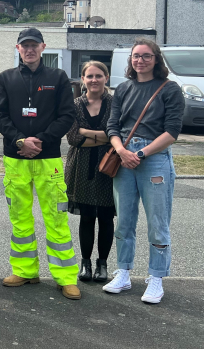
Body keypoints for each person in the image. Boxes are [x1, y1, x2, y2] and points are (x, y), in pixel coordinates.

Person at [0, 27, 81, 300]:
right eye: (24, 45)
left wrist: (40, 140)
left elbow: (67, 115)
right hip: (15, 157)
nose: (29, 50)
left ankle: (65, 277)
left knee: (56, 217)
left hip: (48, 157)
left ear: (43, 47)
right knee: (20, 218)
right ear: (18, 48)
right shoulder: (6, 78)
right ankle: (25, 270)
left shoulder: (58, 77)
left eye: (34, 45)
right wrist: (20, 141)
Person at [104, 39, 184, 304]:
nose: (140, 60)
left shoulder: (170, 89)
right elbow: (112, 126)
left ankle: (156, 277)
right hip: (124, 158)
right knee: (124, 221)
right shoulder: (123, 88)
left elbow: (172, 131)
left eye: (146, 56)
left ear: (156, 59)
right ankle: (124, 272)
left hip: (154, 159)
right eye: (136, 56)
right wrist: (121, 151)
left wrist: (140, 154)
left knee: (158, 223)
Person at [64, 61, 114, 283]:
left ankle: (102, 264)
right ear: (83, 79)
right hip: (81, 166)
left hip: (109, 165)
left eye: (98, 75)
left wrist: (87, 132)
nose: (94, 80)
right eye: (90, 76)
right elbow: (73, 138)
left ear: (106, 78)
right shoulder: (74, 104)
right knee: (86, 217)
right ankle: (85, 263)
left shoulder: (115, 103)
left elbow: (118, 134)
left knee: (106, 217)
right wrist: (105, 136)